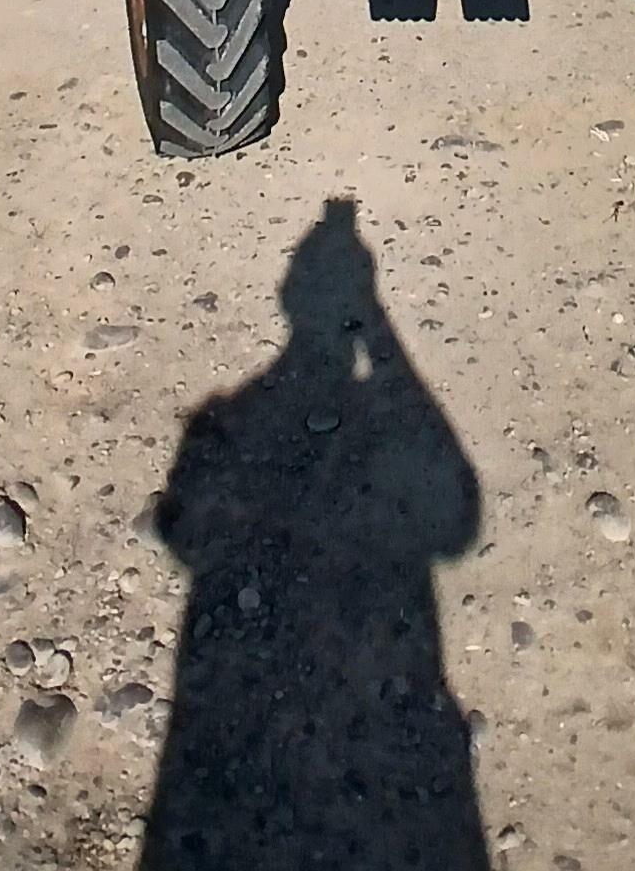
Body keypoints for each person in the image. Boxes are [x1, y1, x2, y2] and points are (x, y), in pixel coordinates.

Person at [142, 199, 489, 871]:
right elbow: (457, 523)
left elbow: (180, 531)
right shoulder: (247, 424)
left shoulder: (227, 424)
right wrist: (379, 332)